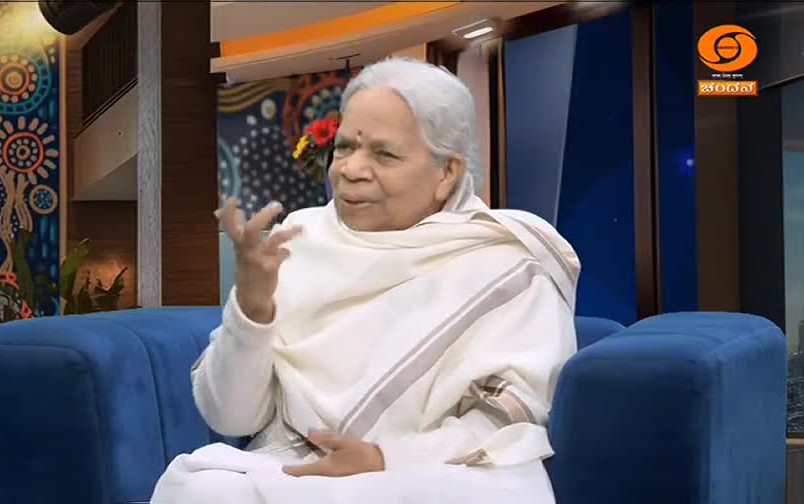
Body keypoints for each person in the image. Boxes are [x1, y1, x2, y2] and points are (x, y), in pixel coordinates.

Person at [150, 57, 580, 504]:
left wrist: (383, 458)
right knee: (199, 490)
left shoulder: (505, 261)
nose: (351, 169)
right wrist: (253, 309)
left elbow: (508, 421)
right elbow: (231, 418)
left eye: (384, 153)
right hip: (298, 468)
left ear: (446, 172)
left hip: (431, 473)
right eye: (344, 147)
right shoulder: (297, 241)